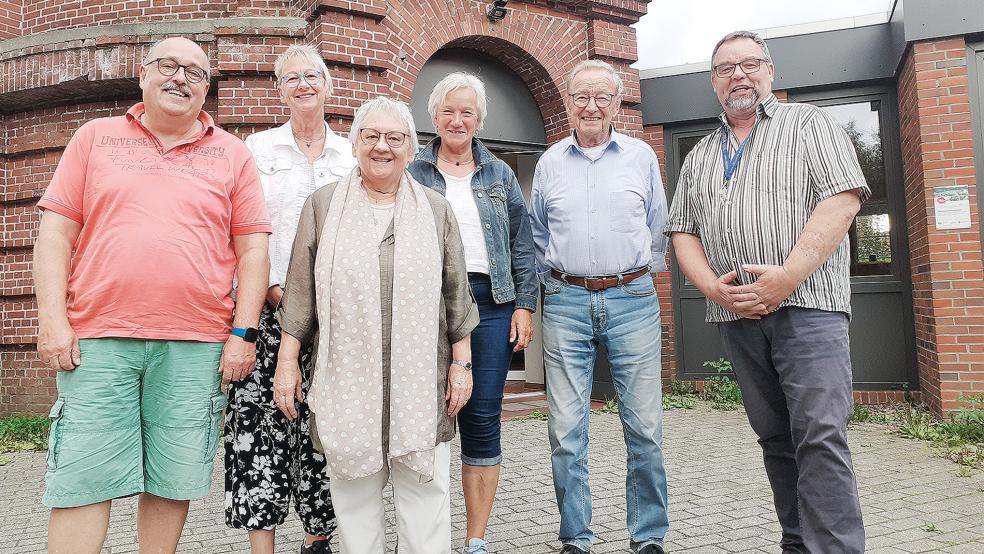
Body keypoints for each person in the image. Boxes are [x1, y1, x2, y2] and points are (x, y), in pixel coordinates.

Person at [33, 37, 271, 554]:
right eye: (169, 65)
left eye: (194, 72)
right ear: (142, 75)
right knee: (81, 476)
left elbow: (253, 252)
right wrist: (52, 320)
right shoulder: (95, 138)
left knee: (174, 477)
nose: (180, 77)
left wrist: (242, 334)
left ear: (206, 88)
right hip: (97, 340)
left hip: (195, 346)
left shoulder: (232, 155)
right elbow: (54, 234)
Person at [667, 30, 868, 553]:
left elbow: (842, 202)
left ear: (771, 72)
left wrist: (786, 276)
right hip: (738, 317)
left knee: (820, 437)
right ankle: (797, 545)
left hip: (809, 308)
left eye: (750, 63)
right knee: (776, 439)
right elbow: (683, 231)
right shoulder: (702, 155)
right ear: (713, 82)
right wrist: (713, 288)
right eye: (726, 67)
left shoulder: (810, 125)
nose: (739, 74)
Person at [273, 96, 479, 554]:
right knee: (354, 504)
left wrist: (462, 366)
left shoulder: (435, 209)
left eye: (394, 138)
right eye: (371, 136)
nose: (382, 147)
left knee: (426, 500)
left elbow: (456, 296)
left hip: (421, 386)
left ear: (410, 148)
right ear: (355, 144)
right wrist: (287, 363)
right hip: (349, 383)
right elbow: (300, 293)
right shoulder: (323, 206)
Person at [530, 59, 669, 554]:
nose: (591, 106)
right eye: (581, 97)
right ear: (568, 102)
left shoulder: (641, 157)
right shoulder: (549, 162)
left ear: (616, 103)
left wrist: (633, 275)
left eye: (601, 97)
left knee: (645, 428)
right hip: (565, 301)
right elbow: (539, 234)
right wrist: (559, 283)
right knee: (566, 431)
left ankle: (649, 535)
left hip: (633, 299)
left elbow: (657, 227)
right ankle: (576, 538)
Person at [224, 44, 355, 554]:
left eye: (313, 75)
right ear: (279, 90)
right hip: (265, 308)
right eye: (292, 77)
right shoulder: (255, 151)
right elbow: (239, 231)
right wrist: (272, 293)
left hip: (333, 318)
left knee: (323, 429)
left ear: (328, 83)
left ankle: (317, 540)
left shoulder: (351, 155)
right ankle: (263, 547)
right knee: (260, 431)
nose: (303, 84)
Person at [406, 72, 537, 554]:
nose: (457, 119)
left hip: (491, 303)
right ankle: (426, 533)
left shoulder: (500, 174)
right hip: (428, 302)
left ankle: (475, 537)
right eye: (448, 110)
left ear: (479, 119)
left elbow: (523, 244)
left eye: (467, 111)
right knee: (426, 415)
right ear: (434, 117)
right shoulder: (413, 171)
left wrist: (525, 306)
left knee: (481, 415)